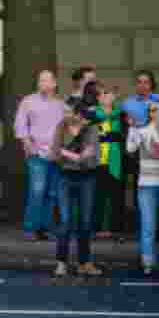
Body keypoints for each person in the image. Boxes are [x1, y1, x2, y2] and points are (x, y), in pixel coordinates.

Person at [14, 70, 67, 240]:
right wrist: (26, 143)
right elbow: (20, 124)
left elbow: (70, 127)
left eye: (46, 80)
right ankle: (30, 229)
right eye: (40, 80)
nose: (43, 83)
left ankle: (46, 228)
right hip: (36, 153)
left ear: (54, 84)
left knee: (52, 193)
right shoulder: (28, 101)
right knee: (37, 190)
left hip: (55, 154)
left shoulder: (61, 105)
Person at [50, 110, 102, 277]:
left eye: (69, 111)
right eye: (65, 111)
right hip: (64, 177)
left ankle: (84, 263)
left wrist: (66, 153)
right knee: (65, 221)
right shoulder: (61, 127)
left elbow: (90, 158)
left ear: (80, 115)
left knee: (85, 221)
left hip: (87, 178)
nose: (66, 114)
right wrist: (76, 156)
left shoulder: (91, 129)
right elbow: (54, 154)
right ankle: (61, 263)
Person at [89, 83, 128, 239]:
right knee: (98, 196)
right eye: (102, 94)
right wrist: (110, 136)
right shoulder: (92, 115)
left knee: (116, 196)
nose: (105, 96)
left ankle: (116, 230)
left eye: (109, 93)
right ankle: (97, 229)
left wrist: (108, 137)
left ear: (114, 97)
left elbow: (125, 137)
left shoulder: (121, 115)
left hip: (116, 160)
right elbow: (89, 136)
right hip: (97, 161)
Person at [127, 102, 159, 275]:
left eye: (157, 109)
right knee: (148, 224)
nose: (155, 112)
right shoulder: (144, 131)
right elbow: (130, 148)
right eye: (153, 110)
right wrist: (132, 129)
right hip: (147, 183)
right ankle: (148, 261)